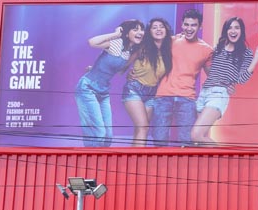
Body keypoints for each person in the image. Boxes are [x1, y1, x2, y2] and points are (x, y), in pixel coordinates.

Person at [190, 17, 258, 145]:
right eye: (230, 28)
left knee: (196, 135)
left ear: (241, 31)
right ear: (226, 31)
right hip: (204, 92)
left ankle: (227, 155)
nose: (233, 31)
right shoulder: (218, 48)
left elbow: (242, 79)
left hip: (218, 95)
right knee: (201, 140)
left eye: (237, 28)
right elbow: (211, 70)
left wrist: (257, 58)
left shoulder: (245, 53)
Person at [75, 19, 144, 147]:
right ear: (126, 33)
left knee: (108, 137)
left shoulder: (129, 51)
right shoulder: (116, 43)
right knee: (98, 133)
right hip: (87, 88)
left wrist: (130, 73)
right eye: (135, 29)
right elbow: (92, 42)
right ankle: (90, 158)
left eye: (141, 30)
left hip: (103, 92)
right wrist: (115, 34)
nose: (140, 32)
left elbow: (121, 70)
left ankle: (101, 158)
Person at [150, 9, 213, 146]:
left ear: (200, 26)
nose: (189, 28)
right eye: (186, 24)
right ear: (182, 24)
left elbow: (213, 76)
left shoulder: (207, 50)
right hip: (163, 96)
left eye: (193, 25)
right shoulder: (171, 41)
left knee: (187, 141)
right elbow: (148, 48)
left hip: (187, 99)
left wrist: (228, 84)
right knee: (159, 140)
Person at [123, 17, 173, 145]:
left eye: (161, 26)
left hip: (152, 93)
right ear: (149, 32)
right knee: (143, 127)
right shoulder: (142, 48)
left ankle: (134, 156)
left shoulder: (169, 50)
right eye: (154, 27)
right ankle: (139, 158)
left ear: (166, 30)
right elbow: (121, 65)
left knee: (141, 129)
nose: (158, 29)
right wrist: (97, 68)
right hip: (134, 90)